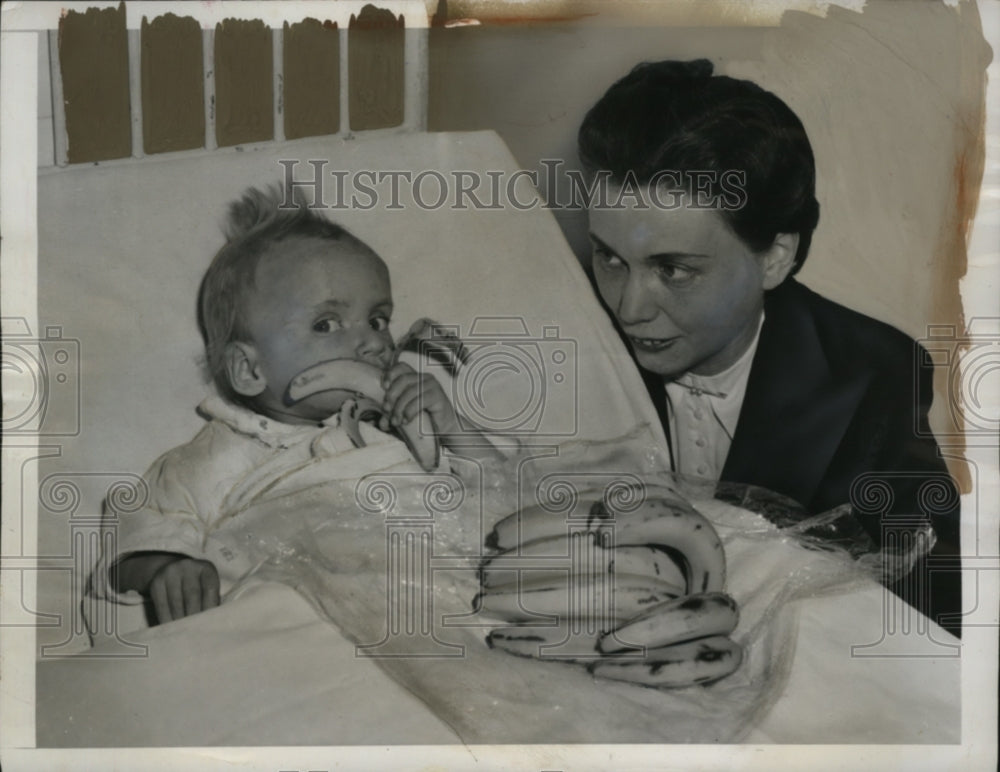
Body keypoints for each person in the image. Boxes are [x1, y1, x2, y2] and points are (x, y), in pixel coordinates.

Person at [576, 59, 962, 637]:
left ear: (775, 257)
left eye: (674, 270)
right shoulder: (573, 331)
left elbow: (941, 602)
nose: (629, 309)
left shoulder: (872, 372)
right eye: (610, 258)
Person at [92, 185, 503, 625]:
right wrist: (166, 567)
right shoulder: (219, 456)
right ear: (250, 370)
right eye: (327, 324)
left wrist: (451, 426)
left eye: (378, 319)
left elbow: (507, 500)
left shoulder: (406, 433)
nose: (372, 341)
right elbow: (134, 536)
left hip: (445, 606)